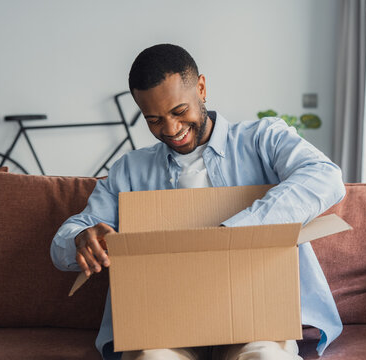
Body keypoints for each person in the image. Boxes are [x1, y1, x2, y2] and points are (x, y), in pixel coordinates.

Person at [51, 44, 345, 360]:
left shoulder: (262, 139)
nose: (171, 129)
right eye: (153, 119)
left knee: (266, 357)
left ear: (201, 88)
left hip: (257, 321)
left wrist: (233, 235)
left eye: (179, 111)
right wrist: (80, 240)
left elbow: (325, 177)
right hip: (163, 329)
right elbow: (61, 248)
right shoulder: (130, 171)